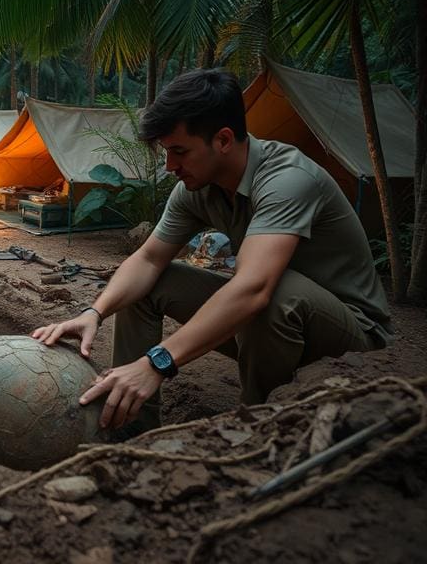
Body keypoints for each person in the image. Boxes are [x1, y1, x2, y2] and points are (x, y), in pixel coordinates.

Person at [34, 68, 393, 437]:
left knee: (270, 293)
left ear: (223, 140)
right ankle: (128, 429)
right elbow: (148, 259)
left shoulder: (287, 179)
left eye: (179, 151)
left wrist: (158, 362)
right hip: (272, 328)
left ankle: (259, 427)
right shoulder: (195, 188)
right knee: (149, 285)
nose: (170, 166)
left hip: (352, 338)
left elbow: (254, 289)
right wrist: (95, 311)